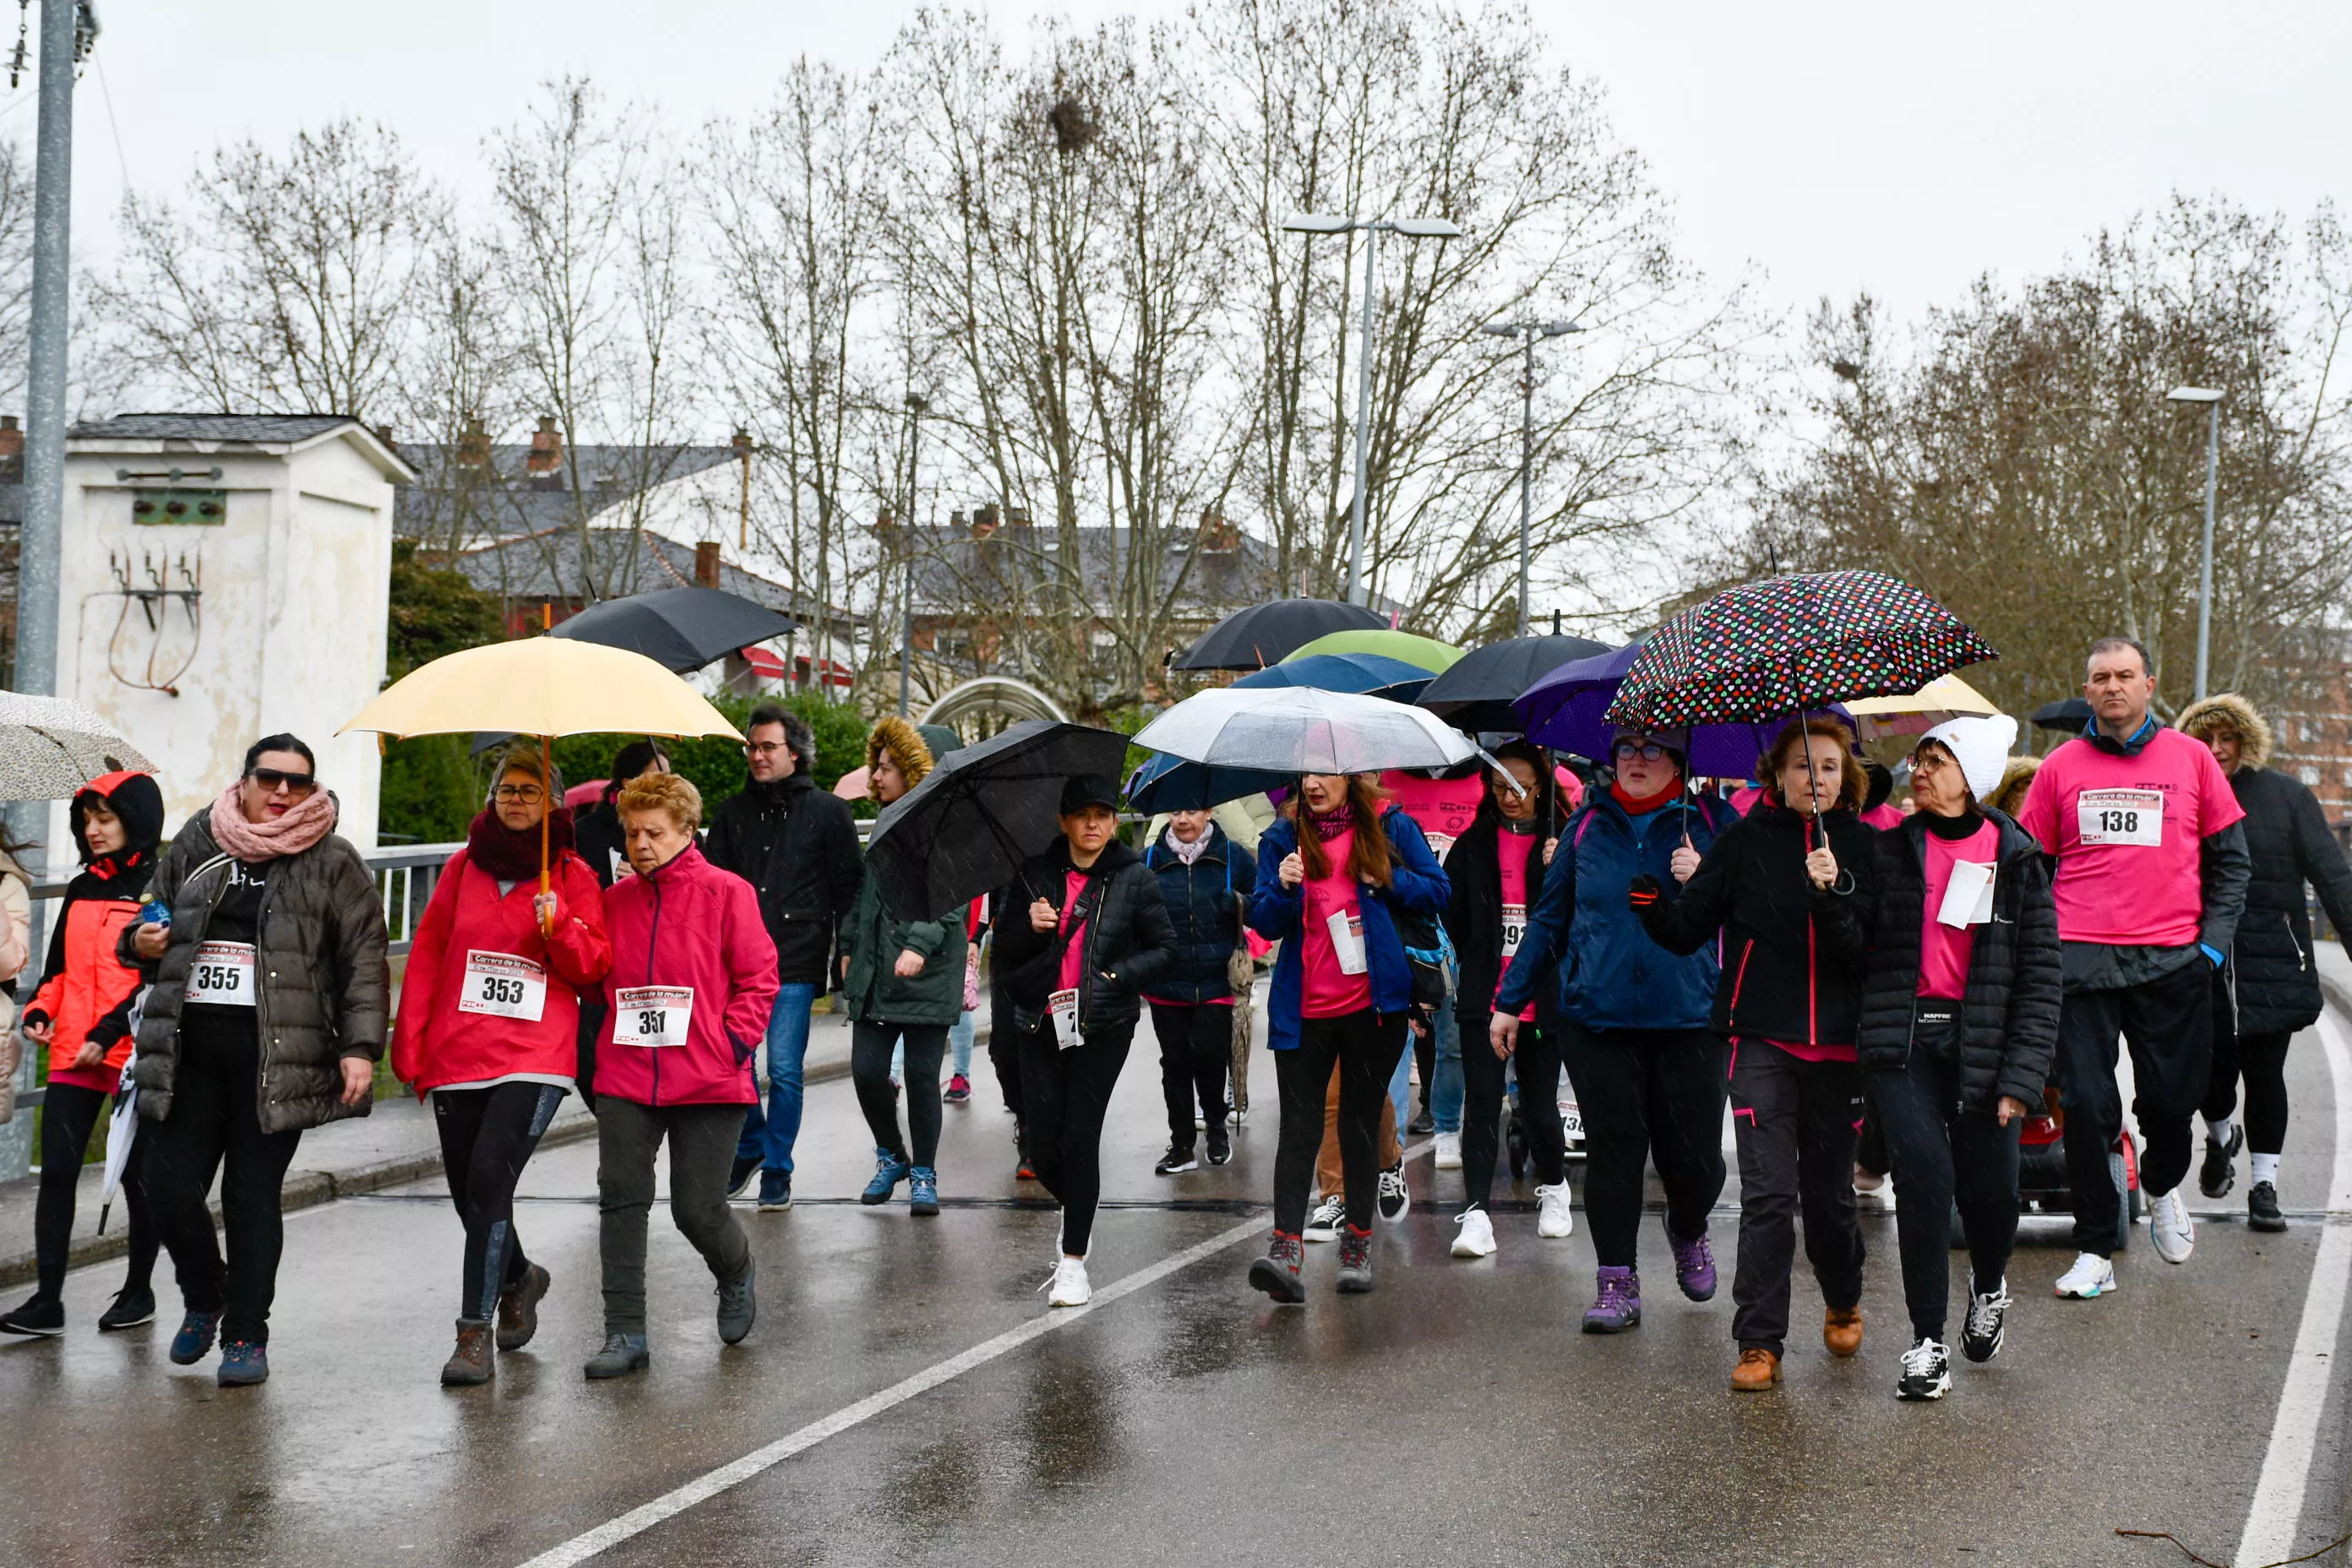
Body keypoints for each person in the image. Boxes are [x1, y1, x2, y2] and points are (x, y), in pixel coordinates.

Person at [128, 736, 389, 1386]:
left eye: (297, 784)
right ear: (243, 781)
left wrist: (360, 1049)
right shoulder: (200, 840)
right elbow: (147, 916)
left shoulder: (333, 860)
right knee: (164, 1185)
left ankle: (246, 1334)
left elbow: (363, 959)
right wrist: (141, 938)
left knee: (250, 1197)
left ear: (312, 791)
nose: (281, 793)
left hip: (279, 1058)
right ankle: (205, 1294)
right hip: (188, 1052)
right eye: (269, 779)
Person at [1636, 717, 1876, 1392]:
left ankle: (1844, 1295)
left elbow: (1866, 952)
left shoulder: (1865, 845)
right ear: (1777, 776)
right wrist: (1655, 905)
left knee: (1828, 1198)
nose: (1815, 778)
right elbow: (1689, 930)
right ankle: (1758, 1341)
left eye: (1828, 767)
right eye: (1802, 766)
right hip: (1760, 1038)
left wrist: (1835, 890)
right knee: (1768, 1195)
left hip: (1838, 1047)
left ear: (1846, 776)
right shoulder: (1743, 843)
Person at [1832, 716, 2061, 1401]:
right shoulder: (1890, 849)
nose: (1921, 770)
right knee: (1925, 1183)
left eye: (1938, 759)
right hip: (1904, 1044)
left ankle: (1989, 1286)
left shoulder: (2016, 858)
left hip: (1985, 1047)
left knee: (1991, 1196)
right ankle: (1926, 1341)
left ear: (1974, 777)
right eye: (1920, 758)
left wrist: (2023, 1078)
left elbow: (2041, 978)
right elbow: (1852, 949)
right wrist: (1830, 892)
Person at [2015, 639, 2249, 1294]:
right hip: (2080, 956)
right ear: (2087, 691)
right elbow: (2033, 869)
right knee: (2086, 1104)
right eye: (2100, 678)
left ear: (2150, 683)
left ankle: (2165, 1183)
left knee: (2172, 1103)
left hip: (2172, 958)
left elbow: (2233, 864)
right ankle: (2095, 1248)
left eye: (2124, 675)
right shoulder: (2060, 769)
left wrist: (2210, 946)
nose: (2113, 686)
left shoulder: (2194, 759)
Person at [1495, 729, 1735, 1332]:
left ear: (1679, 758)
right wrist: (1509, 1000)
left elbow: (1758, 908)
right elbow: (1550, 921)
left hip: (1690, 1017)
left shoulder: (1713, 820)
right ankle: (1616, 1281)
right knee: (1614, 1152)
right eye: (1626, 749)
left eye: (1652, 749)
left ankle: (1686, 1226)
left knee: (1698, 1161)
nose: (1635, 760)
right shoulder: (1584, 827)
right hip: (1597, 1018)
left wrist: (1708, 877)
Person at [389, 747, 611, 1386]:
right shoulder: (462, 868)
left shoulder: (570, 875)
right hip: (459, 1051)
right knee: (470, 1195)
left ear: (554, 804)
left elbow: (594, 967)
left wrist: (560, 926)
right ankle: (519, 1277)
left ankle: (471, 1335)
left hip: (534, 1053)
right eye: (506, 790)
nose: (515, 800)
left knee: (491, 1174)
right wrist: (410, 1045)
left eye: (529, 791)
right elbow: (429, 954)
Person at [584, 771, 778, 1380]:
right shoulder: (612, 903)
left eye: (654, 833)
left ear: (688, 831)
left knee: (696, 1209)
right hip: (626, 1074)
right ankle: (625, 1332)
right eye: (632, 833)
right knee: (621, 1199)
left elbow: (759, 978)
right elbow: (589, 979)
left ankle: (736, 1270)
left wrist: (732, 1043)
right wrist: (560, 930)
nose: (641, 845)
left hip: (709, 1076)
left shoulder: (728, 893)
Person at [1244, 773, 1448, 1303]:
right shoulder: (1281, 838)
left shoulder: (1390, 826)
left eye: (1326, 772)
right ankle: (1285, 1246)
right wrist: (1284, 888)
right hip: (1303, 1009)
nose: (1313, 782)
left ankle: (1357, 1241)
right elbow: (1263, 919)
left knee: (1358, 1125)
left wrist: (1385, 878)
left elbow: (1437, 891)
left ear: (1352, 775)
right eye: (1305, 772)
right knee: (1300, 1128)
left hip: (1374, 1008)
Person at [995, 775, 1176, 1307]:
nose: (1093, 824)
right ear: (1064, 822)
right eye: (1082, 815)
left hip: (1104, 1025)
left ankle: (1073, 1260)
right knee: (1043, 1146)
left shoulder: (1135, 879)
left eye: (1103, 814)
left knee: (1080, 1135)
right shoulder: (1034, 875)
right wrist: (1029, 926)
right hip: (1039, 1022)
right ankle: (1080, 1211)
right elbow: (1003, 956)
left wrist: (1116, 978)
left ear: (1114, 822)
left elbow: (1164, 951)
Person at [2178, 694, 2352, 1232]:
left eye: (2227, 737)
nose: (2216, 748)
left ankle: (2264, 1187)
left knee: (2266, 1074)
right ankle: (2221, 1134)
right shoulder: (2181, 796)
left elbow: (2332, 876)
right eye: (2206, 738)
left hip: (2273, 960)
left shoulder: (2288, 797)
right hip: (2201, 960)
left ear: (2245, 741)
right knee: (2208, 1076)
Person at [0, 772, 164, 1337]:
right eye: (86, 820)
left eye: (106, 818)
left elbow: (156, 976)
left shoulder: (160, 884)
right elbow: (58, 973)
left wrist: (110, 1029)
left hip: (133, 1056)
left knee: (139, 1178)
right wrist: (41, 1010)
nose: (93, 830)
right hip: (74, 1053)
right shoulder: (81, 887)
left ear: (134, 819)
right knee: (59, 1176)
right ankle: (48, 1302)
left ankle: (139, 1291)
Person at [708, 706, 861, 1212]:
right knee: (736, 1063)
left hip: (796, 957)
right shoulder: (731, 814)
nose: (756, 755)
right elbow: (712, 889)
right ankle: (750, 1146)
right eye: (751, 746)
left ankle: (777, 1167)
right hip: (738, 960)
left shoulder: (828, 812)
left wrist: (848, 950)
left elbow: (848, 889)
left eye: (767, 746)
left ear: (793, 752)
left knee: (786, 1070)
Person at [837, 717, 967, 1218]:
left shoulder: (945, 832)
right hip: (877, 975)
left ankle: (924, 1173)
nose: (876, 776)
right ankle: (892, 1155)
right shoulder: (886, 822)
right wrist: (849, 944)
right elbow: (864, 896)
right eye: (877, 765)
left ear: (916, 773)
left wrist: (917, 944)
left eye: (887, 768)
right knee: (867, 1072)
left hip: (927, 975)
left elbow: (951, 901)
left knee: (919, 1076)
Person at [1448, 743, 1573, 1255]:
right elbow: (1454, 916)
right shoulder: (1473, 844)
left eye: (1521, 787)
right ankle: (1476, 1214)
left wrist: (1559, 864)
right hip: (1486, 999)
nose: (1510, 797)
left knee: (1541, 1110)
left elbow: (1579, 919)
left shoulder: (1564, 841)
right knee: (1480, 1105)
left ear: (1541, 786)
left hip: (1542, 1001)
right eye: (1500, 787)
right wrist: (1480, 960)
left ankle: (1556, 1185)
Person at [1141, 808, 1256, 1175]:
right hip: (1166, 983)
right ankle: (1181, 1145)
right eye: (1174, 812)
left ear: (1209, 812)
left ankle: (1217, 1128)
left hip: (1216, 980)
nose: (1182, 819)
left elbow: (1264, 904)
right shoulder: (1150, 860)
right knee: (1174, 1065)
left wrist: (1241, 904)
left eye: (1191, 811)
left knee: (1209, 1057)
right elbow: (1132, 912)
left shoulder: (1232, 856)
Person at [571, 739, 670, 1107]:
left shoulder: (678, 831)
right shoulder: (589, 831)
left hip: (657, 963)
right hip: (604, 960)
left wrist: (660, 873)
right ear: (627, 784)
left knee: (648, 1058)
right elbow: (577, 891)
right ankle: (616, 1125)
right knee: (588, 1057)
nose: (666, 786)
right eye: (655, 777)